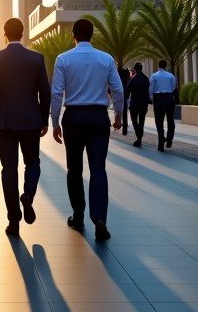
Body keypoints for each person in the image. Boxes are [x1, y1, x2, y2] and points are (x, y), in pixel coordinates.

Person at [51, 19, 124, 242]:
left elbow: (56, 93)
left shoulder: (63, 59)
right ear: (92, 34)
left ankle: (79, 216)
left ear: (73, 34)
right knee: (98, 169)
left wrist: (55, 122)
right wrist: (118, 115)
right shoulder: (106, 59)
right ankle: (99, 218)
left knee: (74, 169)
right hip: (98, 117)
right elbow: (118, 89)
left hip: (73, 117)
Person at [0, 17, 51, 237]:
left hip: (4, 122)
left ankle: (13, 220)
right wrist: (44, 119)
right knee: (33, 163)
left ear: (5, 33)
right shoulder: (36, 58)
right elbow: (45, 91)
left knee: (8, 170)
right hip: (31, 121)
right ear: (23, 33)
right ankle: (28, 196)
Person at [149, 59, 178, 151]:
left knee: (159, 121)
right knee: (170, 120)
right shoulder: (171, 76)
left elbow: (151, 90)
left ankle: (161, 142)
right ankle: (169, 140)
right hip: (169, 98)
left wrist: (152, 99)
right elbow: (174, 86)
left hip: (158, 98)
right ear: (166, 66)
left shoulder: (154, 76)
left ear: (158, 65)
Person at [127, 62, 150, 147]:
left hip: (134, 104)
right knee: (141, 121)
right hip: (143, 104)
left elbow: (127, 90)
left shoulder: (133, 79)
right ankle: (140, 137)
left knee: (134, 120)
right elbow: (148, 90)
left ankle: (139, 137)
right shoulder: (146, 79)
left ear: (135, 69)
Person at [116, 63, 131, 136]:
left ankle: (122, 125)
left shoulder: (121, 73)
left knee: (123, 110)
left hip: (122, 94)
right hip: (125, 95)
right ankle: (123, 126)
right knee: (124, 110)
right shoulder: (126, 74)